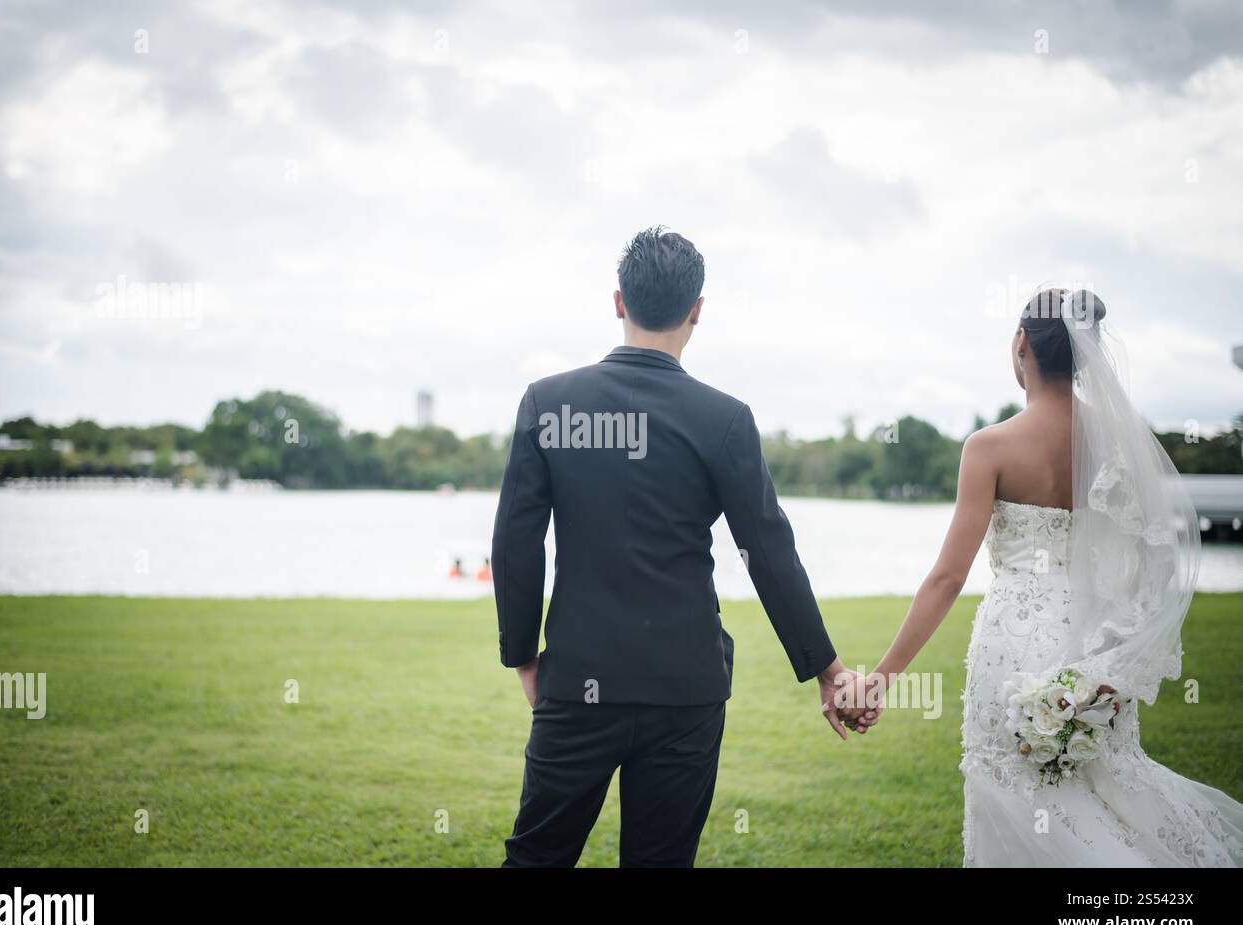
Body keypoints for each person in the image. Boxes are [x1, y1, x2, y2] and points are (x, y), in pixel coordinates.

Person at [490, 226, 875, 867]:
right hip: (685, 689)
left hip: (578, 679)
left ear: (619, 302)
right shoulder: (723, 418)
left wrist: (523, 655)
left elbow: (514, 542)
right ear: (698, 309)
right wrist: (827, 669)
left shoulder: (549, 403)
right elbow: (769, 552)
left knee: (535, 859)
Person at [863, 287, 1243, 866]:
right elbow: (1150, 568)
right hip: (1095, 645)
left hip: (1010, 646)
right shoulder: (1118, 447)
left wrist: (881, 679)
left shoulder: (988, 447)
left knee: (1010, 788)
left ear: (1021, 346)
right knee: (1101, 789)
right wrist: (1118, 657)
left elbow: (946, 579)